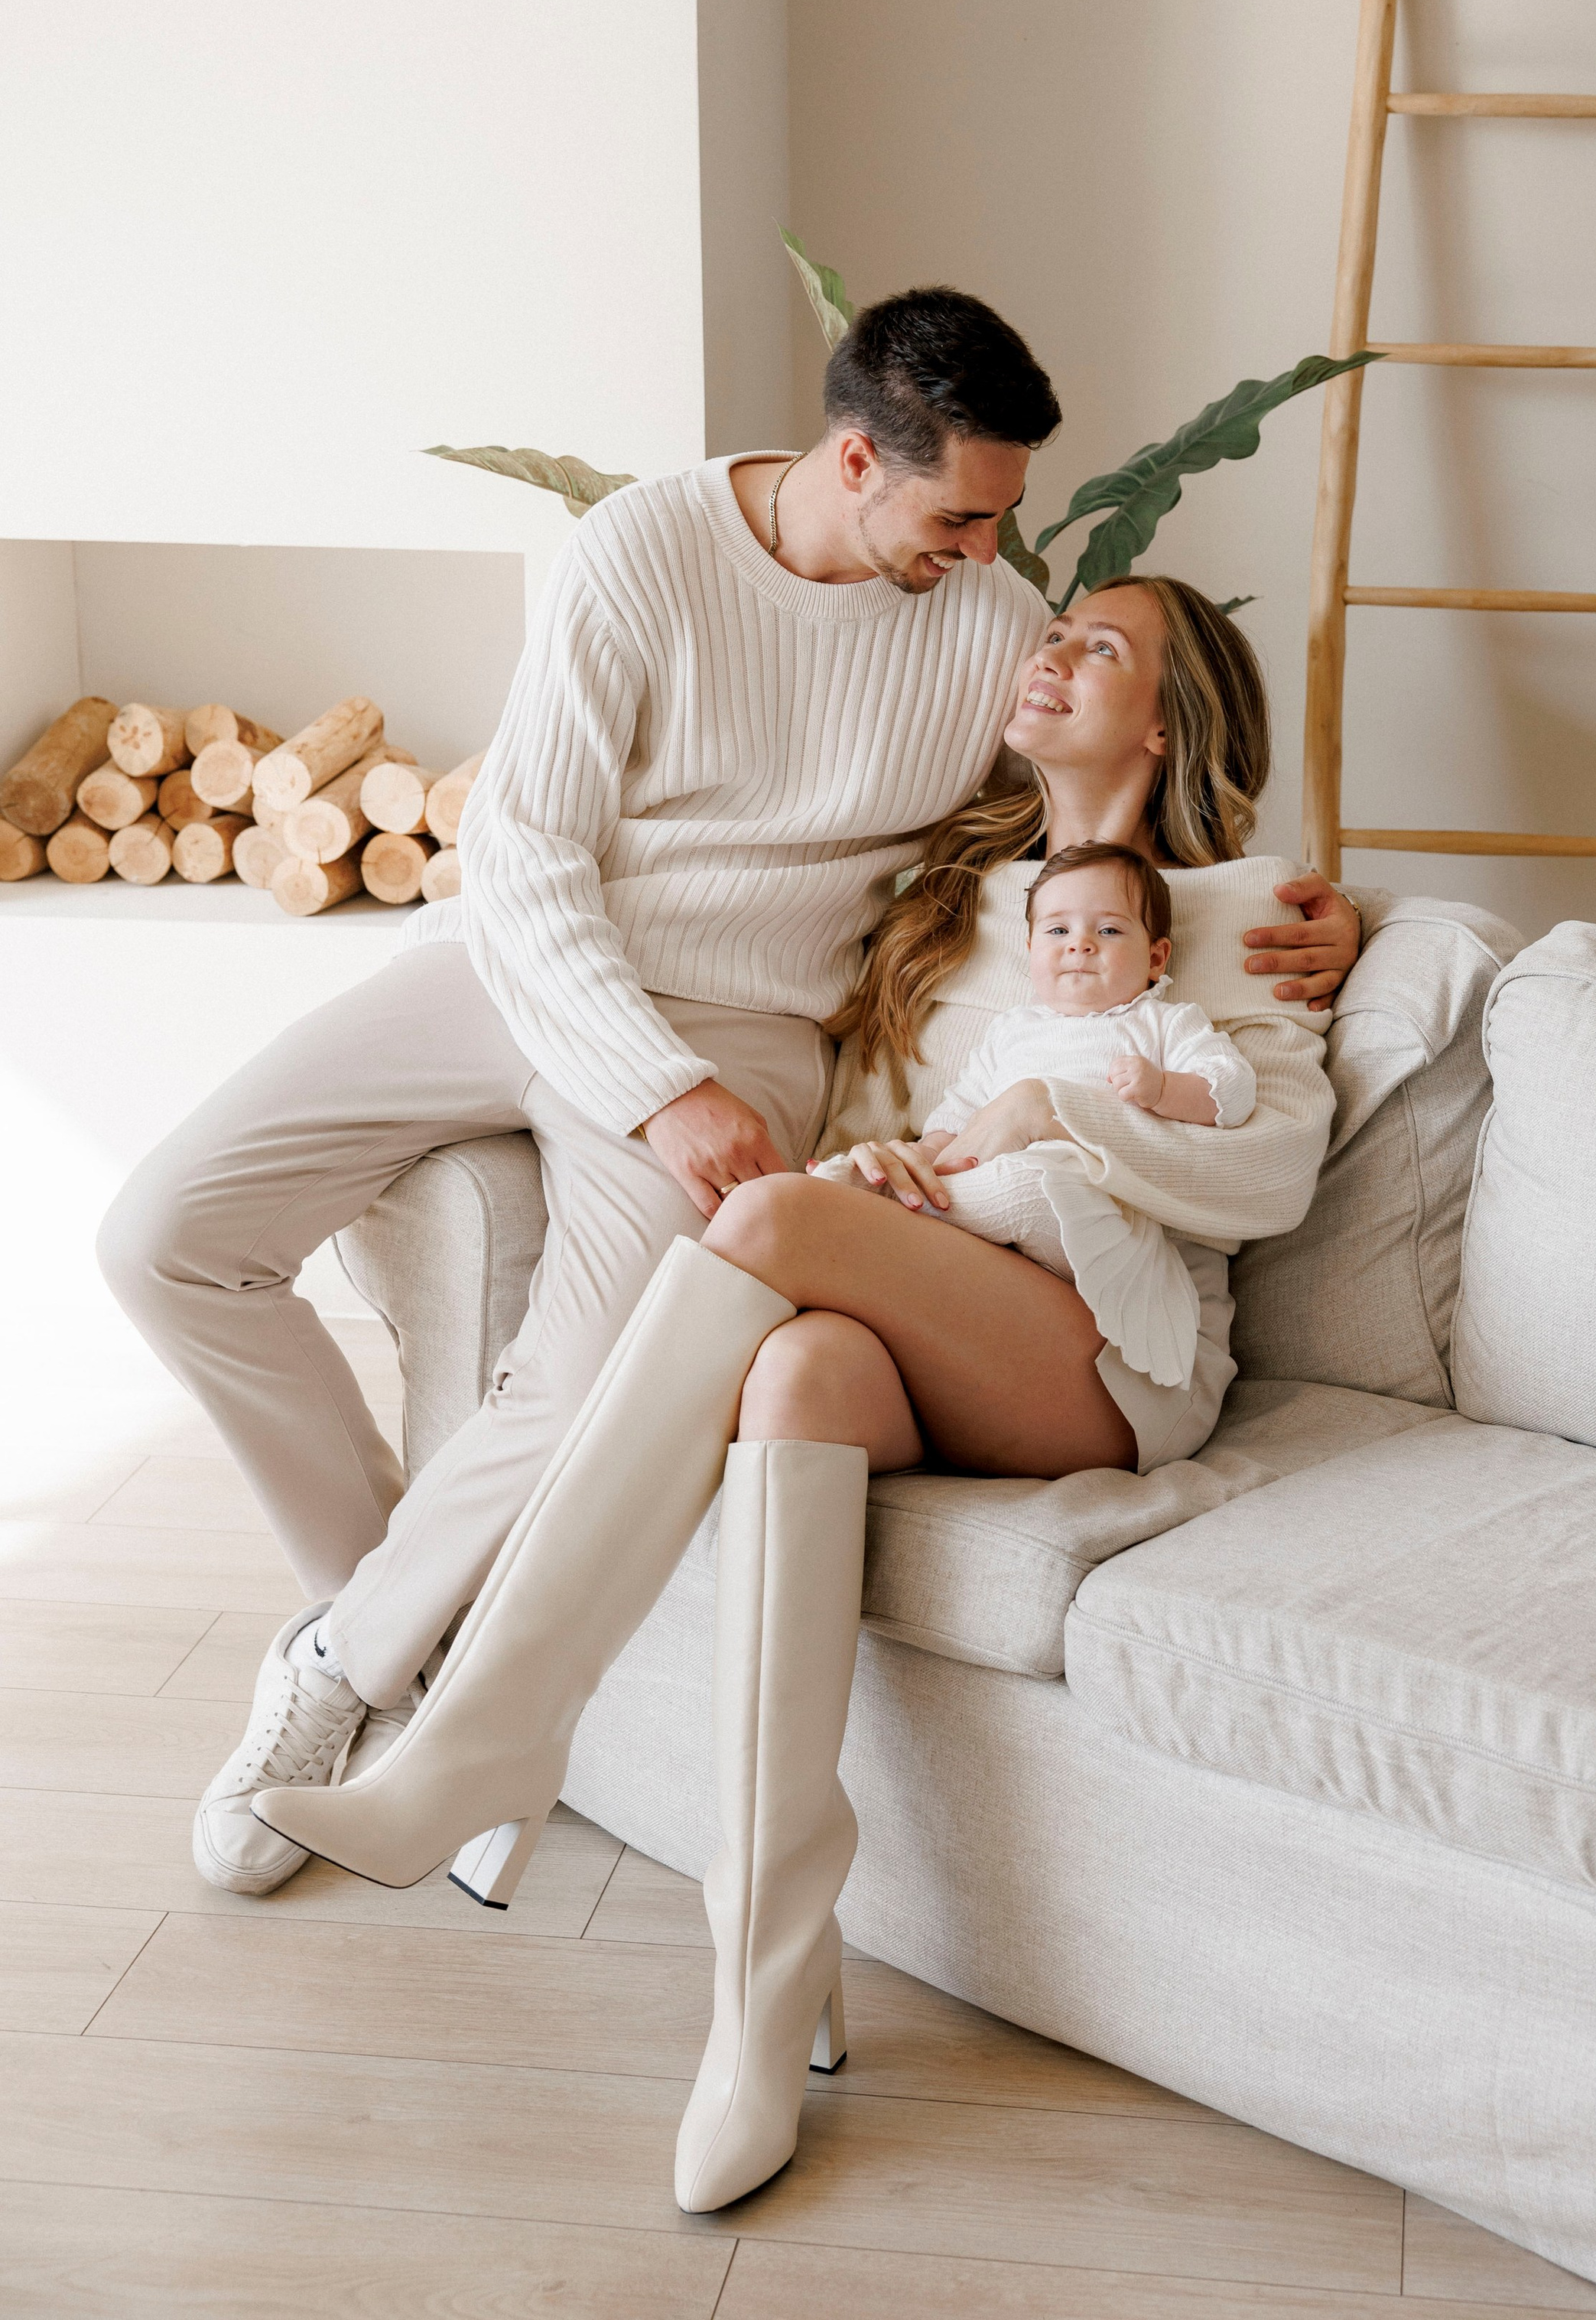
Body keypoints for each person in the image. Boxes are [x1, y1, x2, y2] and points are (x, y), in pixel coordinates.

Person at [96, 292, 1361, 1906]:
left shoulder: (978, 624)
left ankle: (337, 1678)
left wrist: (1317, 907)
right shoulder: (641, 553)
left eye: (1007, 523)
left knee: (575, 1375)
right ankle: (382, 1623)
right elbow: (523, 851)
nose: (993, 557)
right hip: (539, 969)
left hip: (752, 1022)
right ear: (855, 458)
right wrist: (651, 1086)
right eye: (963, 513)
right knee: (162, 1239)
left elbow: (1124, 816)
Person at [252, 573, 1343, 2218]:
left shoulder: (1249, 911)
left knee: (757, 1222)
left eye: (1095, 646)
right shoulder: (933, 904)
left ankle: (486, 1729)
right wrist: (884, 1172)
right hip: (925, 1310)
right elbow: (865, 1127)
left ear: (1170, 719)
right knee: (794, 1365)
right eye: (1048, 630)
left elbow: (1264, 1168)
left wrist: (1050, 1112)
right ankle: (762, 2014)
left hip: (1109, 1357)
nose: (1044, 652)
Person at [826, 836, 1260, 1401]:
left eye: (1108, 931)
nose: (1080, 945)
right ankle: (898, 1203)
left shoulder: (1164, 1024)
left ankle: (891, 1218)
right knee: (906, 1171)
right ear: (1029, 948)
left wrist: (1163, 1089)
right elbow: (959, 1114)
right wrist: (922, 1158)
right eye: (1057, 931)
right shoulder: (1012, 1031)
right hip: (1003, 1238)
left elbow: (1231, 1089)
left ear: (1156, 958)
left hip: (1105, 1218)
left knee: (1030, 1183)